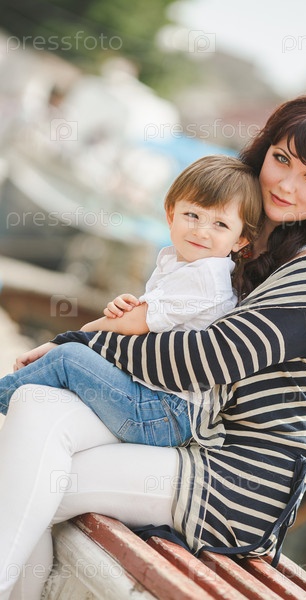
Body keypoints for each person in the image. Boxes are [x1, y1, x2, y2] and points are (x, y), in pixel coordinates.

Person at [0, 94, 306, 600]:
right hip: (195, 434)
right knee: (36, 406)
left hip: (240, 480)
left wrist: (84, 346)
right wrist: (80, 345)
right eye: (281, 159)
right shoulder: (252, 241)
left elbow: (207, 358)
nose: (286, 185)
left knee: (38, 482)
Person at [0, 155, 262, 447]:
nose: (201, 231)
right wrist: (129, 310)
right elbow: (136, 321)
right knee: (70, 365)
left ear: (241, 239)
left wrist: (67, 339)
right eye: (193, 215)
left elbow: (130, 325)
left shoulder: (205, 274)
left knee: (67, 358)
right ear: (171, 213)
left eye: (220, 224)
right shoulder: (181, 264)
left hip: (164, 412)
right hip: (159, 404)